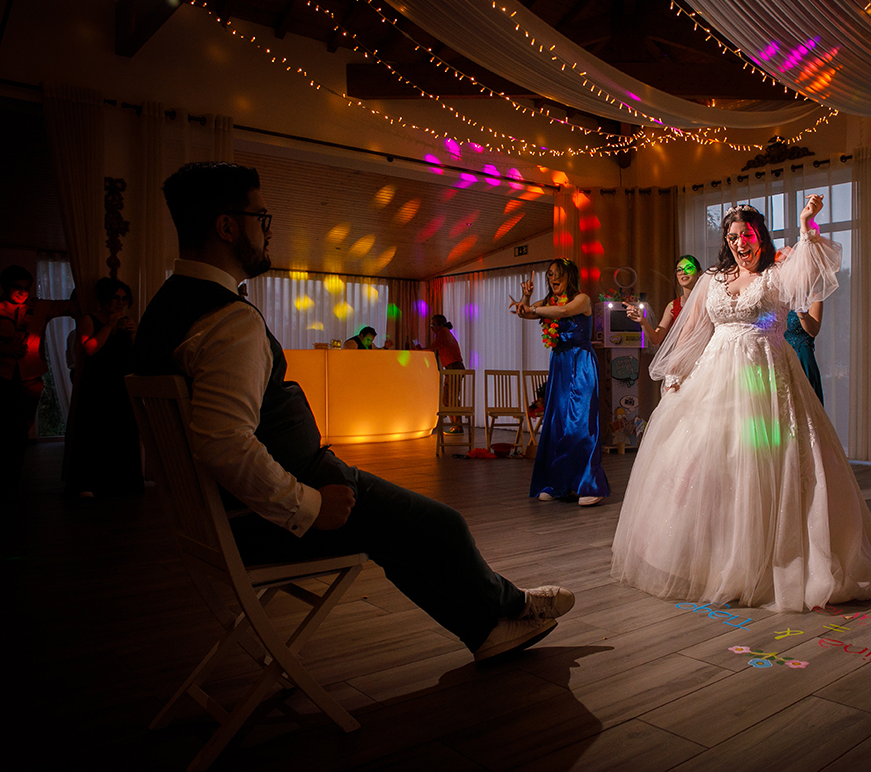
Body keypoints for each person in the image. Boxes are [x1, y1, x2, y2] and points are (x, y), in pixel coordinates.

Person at [132, 162, 573, 662]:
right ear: (227, 226)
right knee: (441, 525)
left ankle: (490, 626)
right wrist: (310, 506)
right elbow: (224, 444)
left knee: (401, 530)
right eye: (261, 216)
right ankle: (510, 606)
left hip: (222, 521)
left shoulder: (162, 311)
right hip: (267, 519)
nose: (268, 229)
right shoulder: (227, 320)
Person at [610, 199, 871, 611]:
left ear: (759, 235)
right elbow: (692, 332)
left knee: (767, 463)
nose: (740, 243)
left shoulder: (777, 276)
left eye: (746, 235)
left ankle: (768, 557)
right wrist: (677, 377)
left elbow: (815, 270)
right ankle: (712, 559)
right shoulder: (711, 279)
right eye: (732, 237)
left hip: (765, 375)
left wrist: (806, 226)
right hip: (716, 378)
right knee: (708, 462)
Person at [515, 259, 609, 506]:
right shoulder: (546, 303)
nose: (552, 279)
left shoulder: (582, 300)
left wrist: (533, 309)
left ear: (569, 277)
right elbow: (523, 313)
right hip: (560, 363)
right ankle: (557, 484)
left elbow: (564, 312)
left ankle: (590, 484)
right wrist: (526, 298)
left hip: (581, 361)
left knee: (581, 423)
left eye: (557, 274)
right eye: (549, 275)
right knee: (557, 423)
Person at [62, 277, 142, 498]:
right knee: (93, 432)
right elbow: (89, 348)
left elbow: (135, 356)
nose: (119, 303)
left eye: (124, 299)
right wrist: (109, 325)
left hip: (120, 384)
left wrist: (132, 333)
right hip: (97, 384)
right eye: (115, 298)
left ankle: (121, 482)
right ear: (105, 299)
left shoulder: (125, 322)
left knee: (122, 431)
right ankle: (88, 483)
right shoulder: (90, 319)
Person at [0, 265, 74, 490]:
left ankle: (12, 480)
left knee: (20, 430)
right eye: (17, 287)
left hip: (30, 378)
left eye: (26, 288)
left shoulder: (38, 307)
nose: (22, 292)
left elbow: (70, 306)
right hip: (2, 376)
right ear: (4, 287)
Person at [626, 255, 701, 345]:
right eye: (679, 270)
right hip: (682, 355)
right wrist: (642, 321)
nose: (683, 272)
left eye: (689, 268)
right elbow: (656, 339)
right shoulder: (672, 306)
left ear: (699, 273)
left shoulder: (708, 301)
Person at [414, 315, 466, 432]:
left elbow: (433, 347)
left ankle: (458, 426)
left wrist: (420, 350)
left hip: (453, 367)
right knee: (448, 399)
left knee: (450, 398)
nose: (431, 328)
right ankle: (456, 425)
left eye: (433, 325)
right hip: (452, 367)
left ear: (440, 325)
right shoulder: (444, 332)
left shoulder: (443, 332)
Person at [784, 304, 824, 405]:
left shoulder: (813, 296)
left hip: (801, 357)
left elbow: (814, 331)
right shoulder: (777, 294)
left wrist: (800, 311)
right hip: (780, 356)